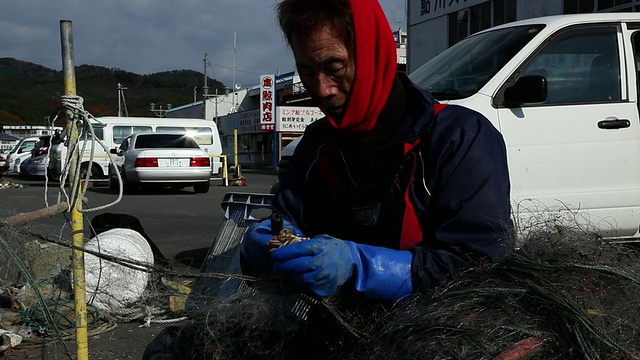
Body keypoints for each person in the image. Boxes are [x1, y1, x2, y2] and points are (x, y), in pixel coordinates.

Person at [241, 0, 513, 305]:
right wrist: (267, 241)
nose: (322, 88)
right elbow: (288, 218)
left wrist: (361, 267)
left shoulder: (459, 139)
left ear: (373, 54)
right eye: (308, 71)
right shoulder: (316, 147)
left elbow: (481, 265)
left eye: (334, 68)